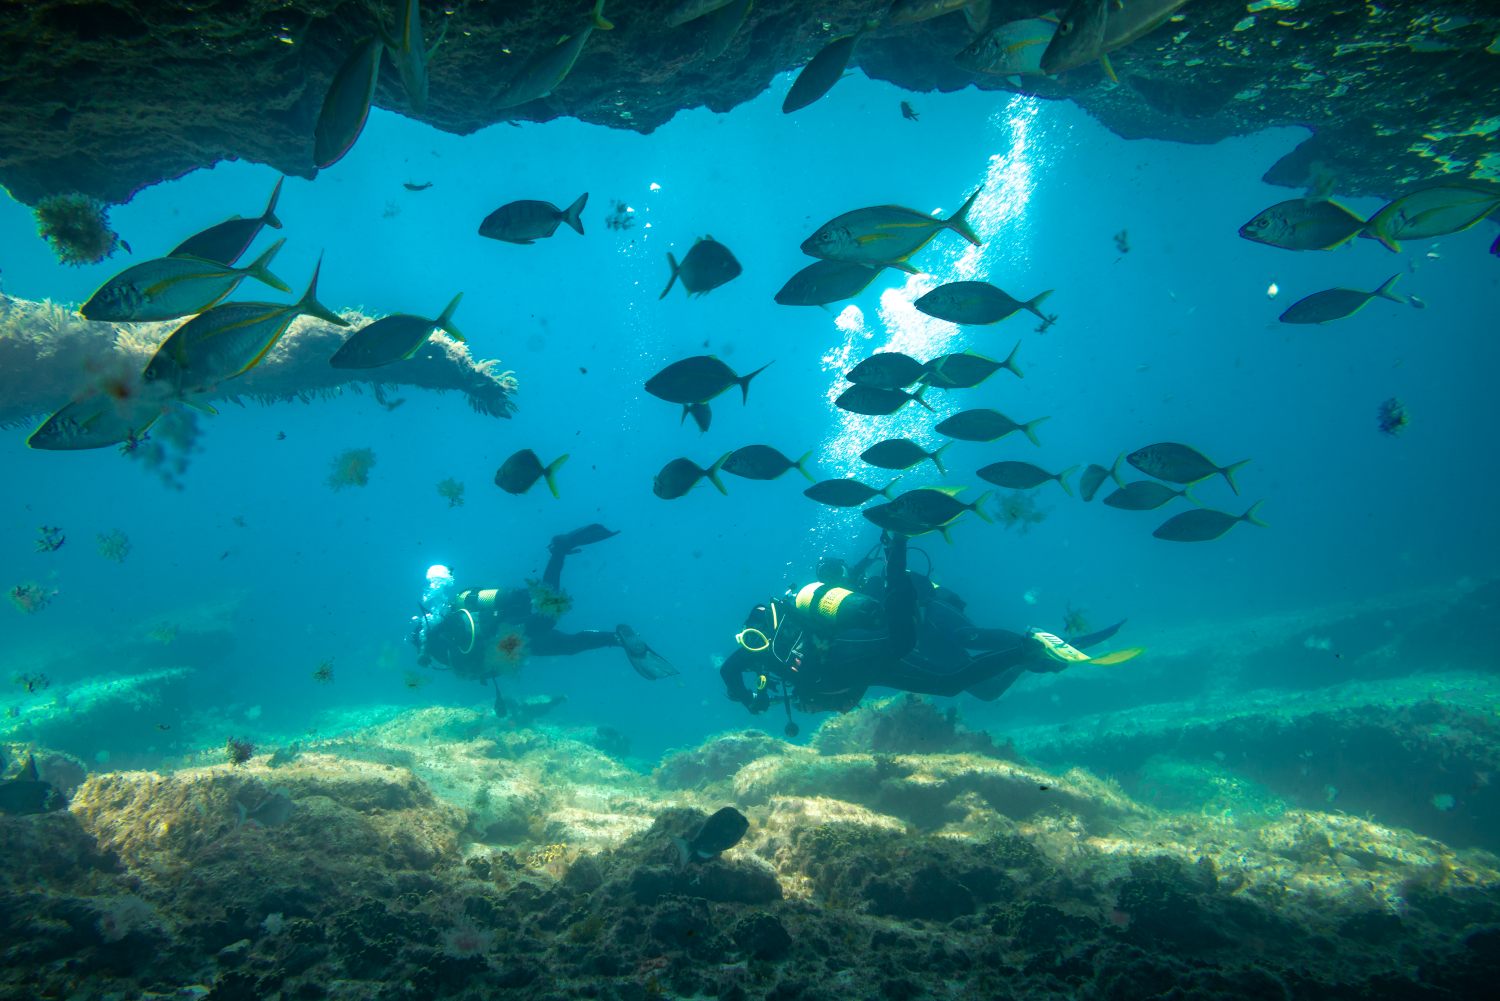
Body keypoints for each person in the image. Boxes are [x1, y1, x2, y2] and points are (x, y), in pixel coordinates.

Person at [718, 533, 1139, 734]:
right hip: (851, 666)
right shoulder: (774, 641)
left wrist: (747, 699)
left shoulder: (765, 650)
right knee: (953, 682)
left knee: (931, 666)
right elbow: (730, 672)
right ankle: (1025, 650)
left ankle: (1022, 650)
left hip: (841, 665)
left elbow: (729, 672)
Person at [411, 524, 676, 714]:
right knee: (568, 645)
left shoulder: (447, 638)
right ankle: (618, 639)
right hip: (511, 643)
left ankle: (558, 549)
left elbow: (478, 642)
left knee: (551, 617)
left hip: (507, 635)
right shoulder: (446, 644)